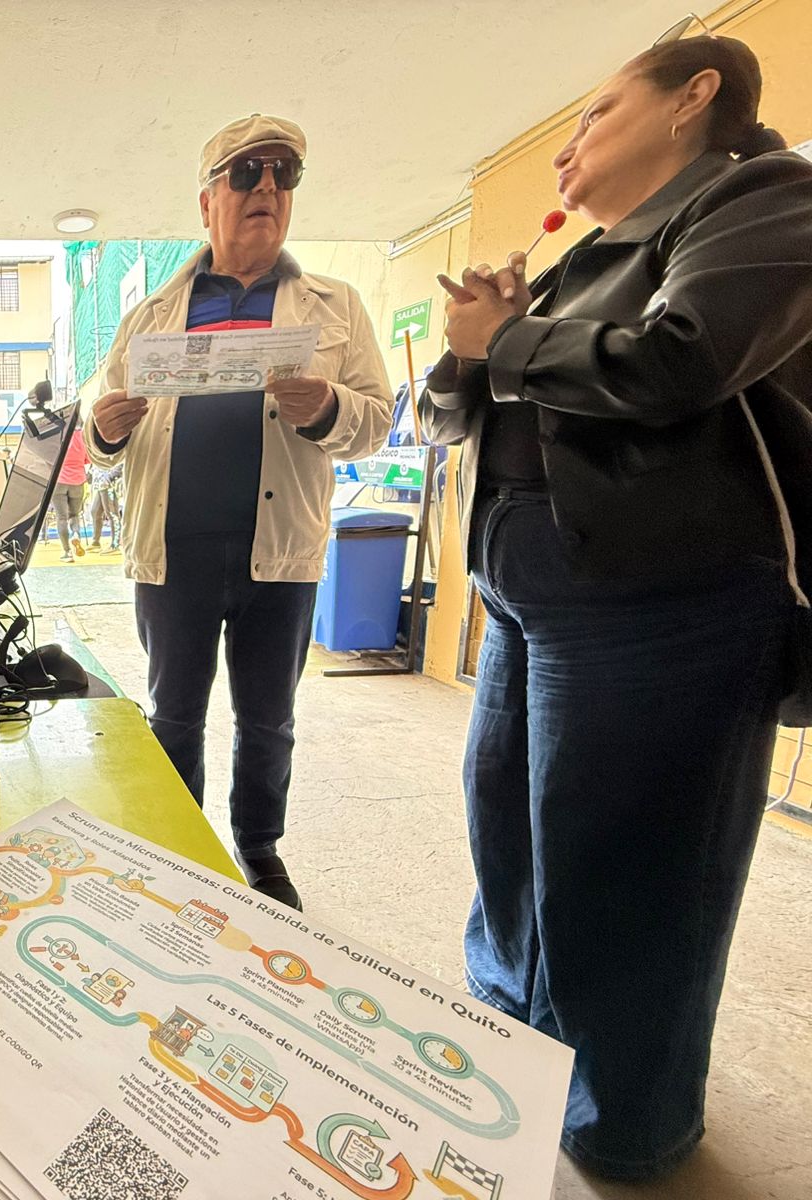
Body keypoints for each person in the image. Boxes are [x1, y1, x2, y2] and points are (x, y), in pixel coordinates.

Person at [419, 36, 812, 1181]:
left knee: (625, 867)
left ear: (694, 97)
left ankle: (619, 1123)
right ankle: (515, 1037)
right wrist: (469, 351)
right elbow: (450, 415)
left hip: (660, 601)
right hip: (527, 595)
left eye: (594, 113)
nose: (566, 148)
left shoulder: (763, 196)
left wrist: (508, 342)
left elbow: (679, 361)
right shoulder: (583, 261)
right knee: (509, 830)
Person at [86, 115, 393, 909]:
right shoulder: (151, 314)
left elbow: (376, 421)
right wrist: (105, 428)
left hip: (279, 551)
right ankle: (179, 843)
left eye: (284, 174)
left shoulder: (335, 307)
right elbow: (102, 422)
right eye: (247, 173)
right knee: (173, 715)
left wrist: (330, 407)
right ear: (206, 202)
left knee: (268, 719)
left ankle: (259, 848)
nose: (268, 188)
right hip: (172, 551)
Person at [51, 418, 90, 561]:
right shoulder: (84, 437)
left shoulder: (59, 436)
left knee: (61, 517)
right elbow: (88, 459)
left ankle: (67, 552)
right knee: (74, 515)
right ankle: (76, 534)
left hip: (59, 480)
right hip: (78, 481)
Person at [88, 462, 121, 551]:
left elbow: (120, 463)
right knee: (95, 511)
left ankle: (116, 544)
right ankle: (96, 541)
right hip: (100, 484)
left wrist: (110, 476)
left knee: (112, 514)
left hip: (108, 485)